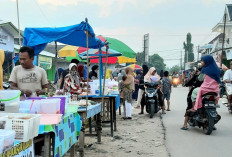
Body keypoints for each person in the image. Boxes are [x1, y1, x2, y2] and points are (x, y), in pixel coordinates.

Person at [181, 55, 220, 130]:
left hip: (205, 89)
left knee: (194, 93)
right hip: (215, 90)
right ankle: (212, 120)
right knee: (214, 103)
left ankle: (194, 107)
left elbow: (200, 79)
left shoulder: (204, 70)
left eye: (202, 61)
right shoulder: (216, 69)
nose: (201, 62)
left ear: (206, 61)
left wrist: (199, 75)